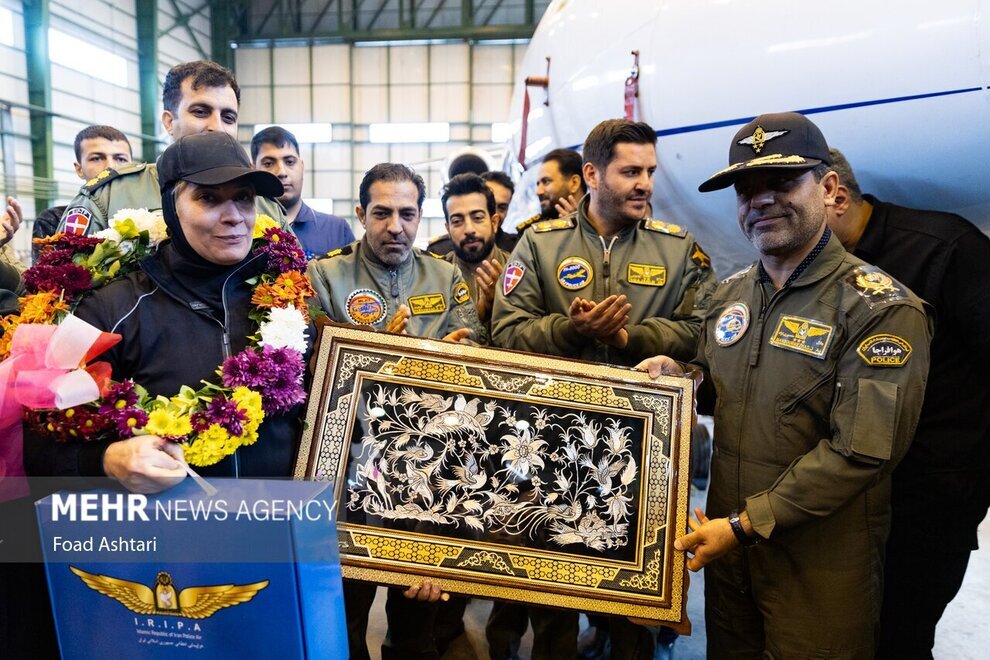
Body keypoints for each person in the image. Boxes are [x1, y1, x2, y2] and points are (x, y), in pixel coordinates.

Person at [640, 112, 932, 658]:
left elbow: (861, 453)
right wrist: (683, 378)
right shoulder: (729, 296)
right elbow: (720, 387)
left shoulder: (879, 309)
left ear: (829, 188)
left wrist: (746, 524)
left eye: (782, 181)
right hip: (728, 555)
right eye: (746, 189)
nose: (762, 200)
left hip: (819, 569)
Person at [489, 118, 716, 660]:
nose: (645, 184)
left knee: (635, 609)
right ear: (592, 175)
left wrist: (629, 337)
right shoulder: (539, 245)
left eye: (650, 172)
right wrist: (571, 330)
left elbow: (703, 331)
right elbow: (505, 331)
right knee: (552, 604)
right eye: (630, 172)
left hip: (644, 457)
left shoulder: (678, 250)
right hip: (551, 450)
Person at [306, 163, 482, 660]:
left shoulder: (446, 276)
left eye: (407, 214)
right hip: (349, 467)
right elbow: (308, 365)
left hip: (430, 473)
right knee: (344, 618)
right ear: (361, 214)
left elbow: (476, 349)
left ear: (421, 217)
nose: (395, 227)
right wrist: (376, 355)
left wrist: (453, 356)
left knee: (418, 622)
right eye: (382, 213)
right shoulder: (324, 275)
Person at [825, 148, 990, 659]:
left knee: (900, 637)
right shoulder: (816, 267)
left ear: (835, 196)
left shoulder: (945, 249)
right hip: (852, 492)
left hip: (932, 496)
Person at [55, 60, 286, 237]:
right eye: (200, 112)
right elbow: (61, 277)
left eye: (228, 117)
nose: (217, 127)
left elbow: (295, 278)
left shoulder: (263, 204)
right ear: (168, 121)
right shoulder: (109, 195)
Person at [251, 126, 354, 259]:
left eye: (290, 162)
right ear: (253, 170)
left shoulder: (336, 230)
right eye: (269, 163)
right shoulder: (241, 232)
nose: (282, 172)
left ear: (302, 166)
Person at [32, 125, 133, 251]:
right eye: (96, 158)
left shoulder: (151, 217)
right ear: (79, 169)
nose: (110, 167)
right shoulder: (53, 220)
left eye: (121, 159)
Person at [440, 173, 509, 326]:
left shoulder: (519, 271)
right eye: (457, 221)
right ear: (448, 229)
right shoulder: (435, 277)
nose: (469, 229)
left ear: (494, 223)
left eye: (477, 218)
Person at [481, 170, 520, 253]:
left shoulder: (518, 248)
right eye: (490, 204)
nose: (495, 213)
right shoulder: (452, 247)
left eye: (502, 208)